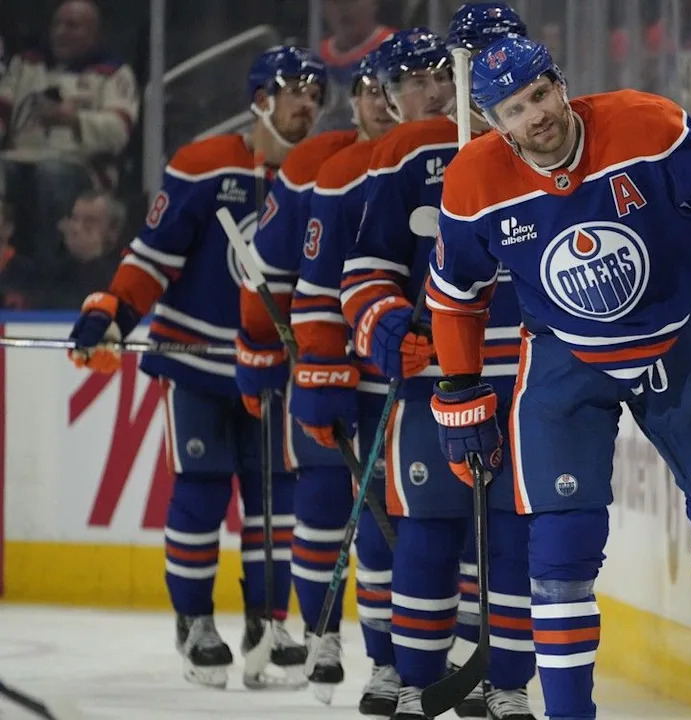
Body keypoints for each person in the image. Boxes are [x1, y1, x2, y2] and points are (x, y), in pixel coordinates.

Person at [427, 35, 691, 720]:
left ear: (560, 85)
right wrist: (461, 390)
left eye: (539, 95)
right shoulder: (474, 181)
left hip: (671, 336)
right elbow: (454, 295)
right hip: (564, 357)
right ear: (492, 122)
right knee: (560, 547)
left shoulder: (643, 123)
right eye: (513, 109)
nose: (534, 116)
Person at [65, 46, 323, 690]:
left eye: (317, 94)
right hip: (199, 364)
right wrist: (113, 314)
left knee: (276, 510)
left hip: (276, 374)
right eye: (294, 89)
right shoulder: (203, 165)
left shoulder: (322, 176)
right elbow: (152, 259)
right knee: (202, 493)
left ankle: (268, 623)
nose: (306, 104)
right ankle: (195, 622)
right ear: (259, 96)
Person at [338, 21, 536, 720]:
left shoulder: (553, 138)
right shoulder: (403, 154)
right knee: (426, 531)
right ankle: (417, 676)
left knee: (517, 534)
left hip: (532, 380)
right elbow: (363, 272)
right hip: (437, 379)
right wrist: (387, 326)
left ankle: (505, 679)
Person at [236, 49, 385, 704]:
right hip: (325, 362)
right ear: (355, 99)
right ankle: (321, 633)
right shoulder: (311, 163)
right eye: (371, 90)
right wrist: (259, 347)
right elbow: (265, 271)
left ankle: (400, 650)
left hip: (399, 369)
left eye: (394, 89)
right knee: (324, 498)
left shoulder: (447, 156)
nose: (383, 102)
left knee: (397, 516)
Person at [0, 0, 139, 269]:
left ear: (94, 33)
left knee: (51, 175)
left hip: (82, 168)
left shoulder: (113, 73)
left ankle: (49, 271)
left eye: (72, 26)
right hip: (20, 158)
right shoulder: (27, 64)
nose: (61, 32)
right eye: (57, 25)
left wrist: (73, 120)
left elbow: (119, 131)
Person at [316, 0, 395, 131]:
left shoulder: (395, 47)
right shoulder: (316, 55)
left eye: (351, 1)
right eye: (336, 2)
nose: (344, 8)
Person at [42, 190, 125, 308]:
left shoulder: (128, 268)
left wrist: (91, 258)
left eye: (89, 221)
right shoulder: (56, 266)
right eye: (74, 219)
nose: (77, 228)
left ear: (113, 231)